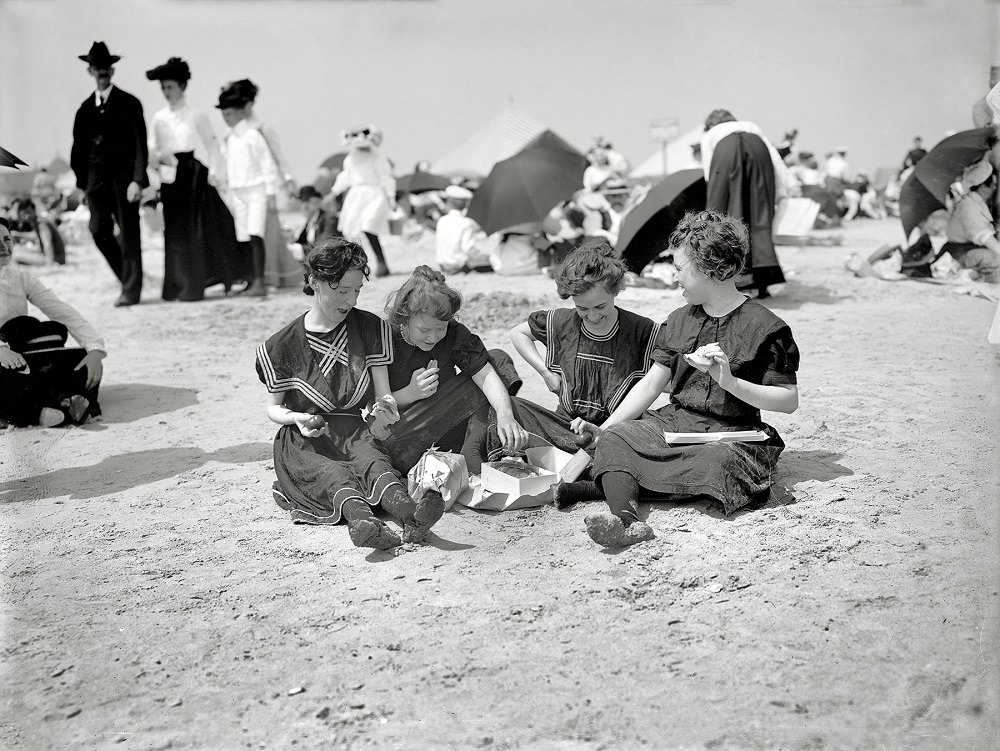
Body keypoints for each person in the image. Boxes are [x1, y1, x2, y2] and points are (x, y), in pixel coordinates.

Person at [558, 211, 800, 548]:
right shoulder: (678, 320)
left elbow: (788, 401)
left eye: (679, 270)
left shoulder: (765, 326)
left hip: (731, 432)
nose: (675, 279)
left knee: (718, 465)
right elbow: (651, 384)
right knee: (618, 439)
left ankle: (596, 487)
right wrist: (605, 430)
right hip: (677, 423)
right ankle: (624, 519)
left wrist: (729, 381)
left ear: (712, 268)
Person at [256, 238, 445, 549]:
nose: (350, 300)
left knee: (375, 464)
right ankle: (363, 524)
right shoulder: (281, 345)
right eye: (342, 290)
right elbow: (273, 409)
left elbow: (382, 395)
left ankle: (414, 518)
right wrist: (299, 418)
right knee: (332, 475)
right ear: (314, 282)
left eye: (357, 290)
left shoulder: (370, 328)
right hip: (306, 441)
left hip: (356, 432)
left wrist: (384, 410)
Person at [479, 240, 659, 482]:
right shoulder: (562, 321)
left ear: (615, 291)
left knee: (637, 441)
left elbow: (662, 379)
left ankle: (583, 471)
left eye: (600, 306)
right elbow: (517, 333)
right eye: (583, 308)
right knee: (512, 408)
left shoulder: (642, 330)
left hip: (615, 429)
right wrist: (545, 372)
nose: (593, 316)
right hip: (565, 427)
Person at [379, 265, 528, 473]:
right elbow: (368, 406)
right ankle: (479, 447)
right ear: (405, 316)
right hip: (405, 435)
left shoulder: (453, 332)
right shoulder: (383, 338)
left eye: (441, 328)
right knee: (491, 374)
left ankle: (473, 447)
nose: (432, 337)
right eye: (424, 329)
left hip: (451, 420)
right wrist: (410, 393)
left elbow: (483, 372)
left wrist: (505, 415)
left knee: (497, 360)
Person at [146, 57, 239, 301]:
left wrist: (216, 176)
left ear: (183, 86)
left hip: (193, 177)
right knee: (174, 231)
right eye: (163, 88)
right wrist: (157, 163)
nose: (167, 93)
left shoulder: (196, 115)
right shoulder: (159, 118)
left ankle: (195, 286)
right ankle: (176, 285)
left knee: (195, 231)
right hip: (170, 175)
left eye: (171, 87)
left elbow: (213, 147)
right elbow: (152, 149)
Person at [0, 218, 106, 427]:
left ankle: (56, 406)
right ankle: (47, 409)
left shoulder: (20, 277)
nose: (4, 248)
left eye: (7, 239)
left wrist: (94, 348)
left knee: (82, 361)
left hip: (19, 357)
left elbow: (61, 311)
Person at [70, 41, 149, 307]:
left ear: (112, 70)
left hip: (124, 181)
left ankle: (131, 290)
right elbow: (78, 150)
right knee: (97, 230)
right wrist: (82, 185)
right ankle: (128, 278)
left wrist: (137, 180)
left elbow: (140, 145)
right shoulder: (83, 110)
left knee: (128, 233)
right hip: (95, 183)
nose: (102, 72)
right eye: (97, 67)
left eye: (106, 67)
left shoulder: (130, 103)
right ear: (90, 71)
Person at [700, 109, 788, 299]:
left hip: (726, 153)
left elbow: (710, 173)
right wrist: (781, 191)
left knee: (726, 218)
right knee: (760, 217)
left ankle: (735, 278)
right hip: (759, 151)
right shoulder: (751, 126)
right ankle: (762, 281)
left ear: (709, 124)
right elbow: (775, 159)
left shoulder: (710, 135)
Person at [230, 79, 302, 289]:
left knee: (268, 233)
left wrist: (288, 179)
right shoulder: (236, 131)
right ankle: (260, 276)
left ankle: (269, 277)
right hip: (245, 188)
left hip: (268, 187)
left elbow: (278, 156)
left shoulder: (262, 128)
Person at [216, 82, 281, 298]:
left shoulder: (253, 136)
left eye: (230, 113)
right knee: (243, 236)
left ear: (241, 112)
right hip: (238, 192)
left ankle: (260, 281)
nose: (226, 118)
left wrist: (271, 193)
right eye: (224, 114)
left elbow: (268, 164)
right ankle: (250, 279)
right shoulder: (231, 138)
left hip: (256, 191)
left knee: (255, 234)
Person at [332, 126, 396, 277]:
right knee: (351, 229)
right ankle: (356, 263)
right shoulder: (350, 159)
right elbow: (345, 178)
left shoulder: (378, 157)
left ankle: (381, 262)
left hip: (373, 193)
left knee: (369, 226)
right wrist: (334, 192)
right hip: (356, 195)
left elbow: (386, 177)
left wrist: (391, 196)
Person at [942, 160, 1000, 283]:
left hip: (967, 250)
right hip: (959, 252)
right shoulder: (969, 206)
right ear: (983, 186)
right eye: (993, 184)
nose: (995, 187)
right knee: (995, 259)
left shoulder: (976, 202)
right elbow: (983, 235)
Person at [434, 185, 494, 274]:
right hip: (458, 266)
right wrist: (487, 257)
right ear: (466, 204)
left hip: (443, 265)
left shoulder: (442, 220)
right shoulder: (466, 223)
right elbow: (468, 249)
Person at [13, 198, 66, 266]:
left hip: (55, 259)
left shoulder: (41, 224)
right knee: (17, 248)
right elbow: (35, 235)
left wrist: (50, 264)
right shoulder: (39, 221)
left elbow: (47, 244)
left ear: (30, 211)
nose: (25, 218)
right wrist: (17, 234)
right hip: (53, 256)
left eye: (24, 215)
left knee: (17, 256)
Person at [291, 185, 339, 257]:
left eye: (306, 201)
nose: (304, 206)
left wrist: (297, 248)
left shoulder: (329, 218)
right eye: (302, 202)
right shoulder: (308, 222)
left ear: (316, 202)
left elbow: (324, 246)